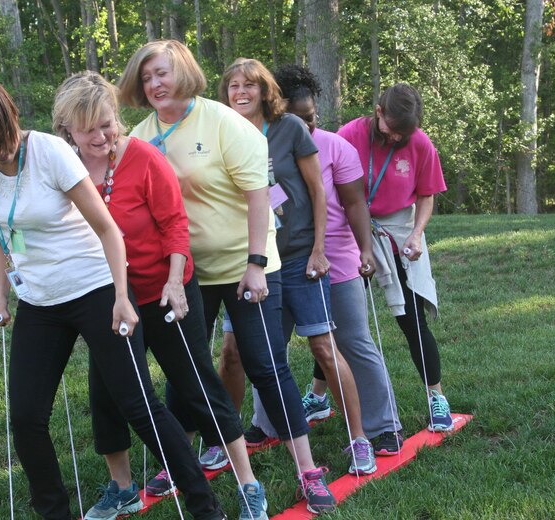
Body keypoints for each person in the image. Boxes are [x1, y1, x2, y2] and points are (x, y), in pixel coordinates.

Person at [0, 71, 224, 520]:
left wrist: (122, 296)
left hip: (95, 289)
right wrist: (0, 295)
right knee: (27, 416)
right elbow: (2, 232)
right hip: (40, 300)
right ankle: (54, 512)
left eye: (4, 130)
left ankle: (205, 506)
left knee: (138, 404)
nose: (4, 145)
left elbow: (108, 228)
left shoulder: (48, 152)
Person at [119, 40, 336, 515]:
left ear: (185, 74)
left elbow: (259, 194)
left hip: (246, 264)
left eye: (163, 73)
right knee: (185, 367)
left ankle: (308, 469)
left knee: (264, 365)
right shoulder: (138, 135)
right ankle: (179, 460)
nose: (154, 84)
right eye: (146, 77)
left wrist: (257, 261)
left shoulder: (222, 121)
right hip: (185, 272)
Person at [52, 70, 266, 520]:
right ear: (66, 127)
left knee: (195, 385)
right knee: (108, 393)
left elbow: (175, 225)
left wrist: (174, 281)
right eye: (89, 127)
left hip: (165, 290)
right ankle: (122, 487)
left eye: (108, 123)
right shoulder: (64, 169)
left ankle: (248, 483)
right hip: (109, 300)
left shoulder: (144, 158)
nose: (102, 135)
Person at [215, 57, 377, 476]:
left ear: (264, 89)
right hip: (247, 261)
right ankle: (222, 440)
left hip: (298, 257)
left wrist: (320, 249)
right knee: (233, 353)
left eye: (249, 84)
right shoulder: (220, 131)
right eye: (233, 85)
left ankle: (358, 439)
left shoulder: (289, 128)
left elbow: (319, 193)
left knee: (323, 348)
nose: (241, 92)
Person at [270, 64, 405, 454]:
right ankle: (266, 424)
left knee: (352, 340)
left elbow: (354, 202)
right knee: (267, 346)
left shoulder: (336, 147)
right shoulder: (259, 144)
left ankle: (384, 426)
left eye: (310, 119)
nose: (305, 128)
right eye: (296, 120)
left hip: (336, 258)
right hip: (279, 260)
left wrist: (365, 249)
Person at [337, 83, 455, 432]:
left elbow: (427, 195)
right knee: (344, 320)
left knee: (411, 318)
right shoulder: (349, 135)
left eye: (404, 133)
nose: (395, 138)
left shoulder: (419, 142)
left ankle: (436, 397)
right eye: (391, 130)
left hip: (397, 228)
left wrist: (417, 234)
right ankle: (317, 395)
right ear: (378, 113)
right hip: (351, 228)